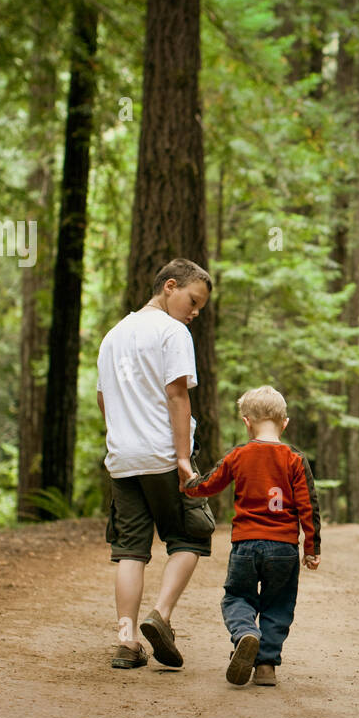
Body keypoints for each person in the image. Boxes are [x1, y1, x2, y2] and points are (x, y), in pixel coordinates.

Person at [96, 258, 212, 669]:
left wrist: (120, 438)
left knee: (130, 550)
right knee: (192, 536)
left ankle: (126, 644)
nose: (195, 312)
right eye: (193, 300)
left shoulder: (113, 335)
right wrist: (183, 458)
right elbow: (178, 395)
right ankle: (160, 616)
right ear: (169, 286)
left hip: (122, 458)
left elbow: (103, 398)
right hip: (162, 454)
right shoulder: (172, 332)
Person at [182, 386, 321, 686]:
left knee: (237, 596)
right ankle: (267, 666)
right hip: (283, 548)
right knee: (279, 603)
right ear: (285, 422)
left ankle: (245, 632)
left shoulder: (239, 455)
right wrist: (311, 548)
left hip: (245, 545)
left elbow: (209, 483)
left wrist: (188, 483)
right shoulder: (295, 459)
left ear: (246, 422)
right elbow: (309, 506)